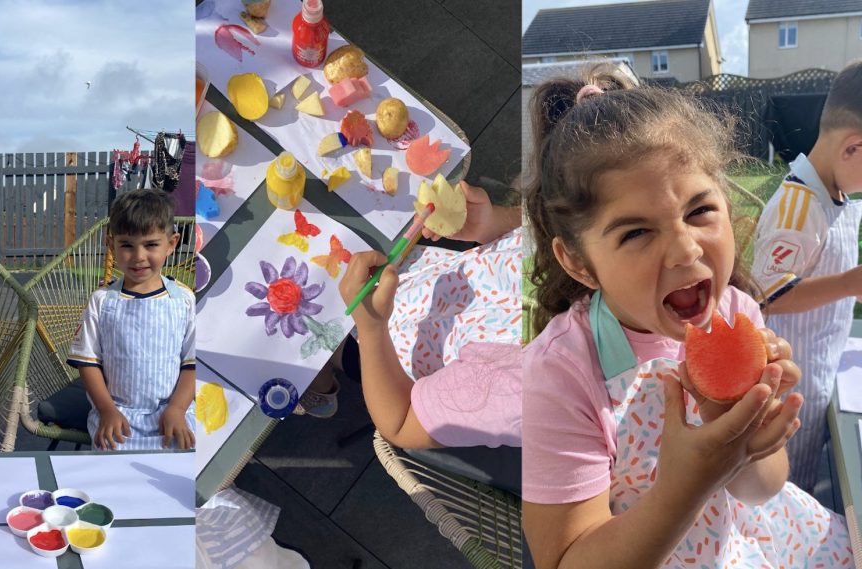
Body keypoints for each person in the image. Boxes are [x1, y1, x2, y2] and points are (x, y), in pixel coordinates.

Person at [521, 65, 853, 568]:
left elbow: (762, 492)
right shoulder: (561, 378)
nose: (683, 249)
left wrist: (747, 442)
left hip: (762, 537)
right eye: (635, 233)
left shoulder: (737, 311)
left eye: (699, 211)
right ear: (579, 263)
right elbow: (566, 559)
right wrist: (684, 487)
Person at [337, 182, 523, 448]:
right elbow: (537, 227)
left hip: (387, 356)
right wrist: (494, 223)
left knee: (317, 343)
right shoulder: (585, 233)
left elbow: (400, 424)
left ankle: (323, 383)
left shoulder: (523, 391)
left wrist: (371, 330)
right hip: (418, 274)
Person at [750, 60, 862, 491]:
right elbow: (769, 295)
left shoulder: (836, 194)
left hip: (823, 365)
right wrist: (851, 283)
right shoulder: (797, 209)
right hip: (794, 378)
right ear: (852, 148)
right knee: (787, 480)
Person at [67, 189, 196, 450]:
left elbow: (192, 364)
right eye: (127, 245)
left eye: (150, 245)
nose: (138, 256)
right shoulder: (102, 301)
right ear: (111, 243)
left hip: (174, 411)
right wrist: (106, 410)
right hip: (117, 414)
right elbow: (88, 364)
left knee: (184, 463)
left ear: (171, 244)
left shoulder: (183, 300)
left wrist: (177, 408)